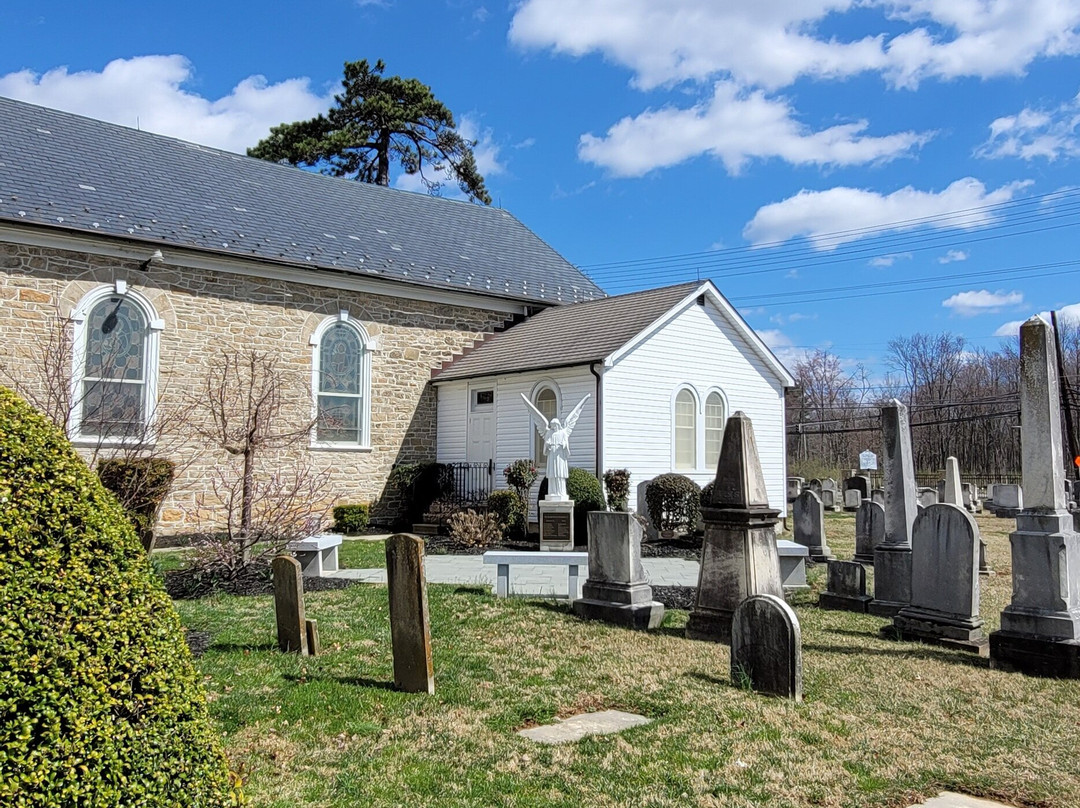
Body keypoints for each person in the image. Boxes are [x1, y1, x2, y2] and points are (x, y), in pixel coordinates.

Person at [521, 393, 590, 500]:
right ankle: (552, 492)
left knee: (560, 474)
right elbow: (545, 450)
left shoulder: (563, 433)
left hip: (560, 457)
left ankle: (561, 492)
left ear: (557, 425)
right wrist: (547, 446)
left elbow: (566, 446)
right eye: (552, 426)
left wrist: (564, 445)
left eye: (554, 426)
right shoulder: (549, 433)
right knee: (553, 474)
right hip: (552, 457)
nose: (553, 427)